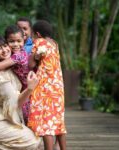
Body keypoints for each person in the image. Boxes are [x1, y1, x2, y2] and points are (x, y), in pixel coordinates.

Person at [0, 35, 41, 150]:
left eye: (5, 46)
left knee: (36, 136)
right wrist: (30, 88)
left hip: (7, 117)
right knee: (33, 142)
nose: (4, 50)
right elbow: (14, 102)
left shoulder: (10, 66)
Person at [28, 20, 67, 150]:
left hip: (45, 89)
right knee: (58, 122)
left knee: (46, 124)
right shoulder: (54, 44)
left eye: (32, 35)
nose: (32, 38)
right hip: (58, 87)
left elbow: (31, 64)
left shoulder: (40, 42)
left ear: (37, 34)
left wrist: (34, 55)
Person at [0, 25, 31, 124]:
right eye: (12, 41)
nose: (16, 44)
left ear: (24, 40)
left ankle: (30, 135)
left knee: (27, 117)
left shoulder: (18, 55)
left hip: (27, 90)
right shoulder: (19, 52)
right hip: (23, 89)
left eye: (19, 41)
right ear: (6, 41)